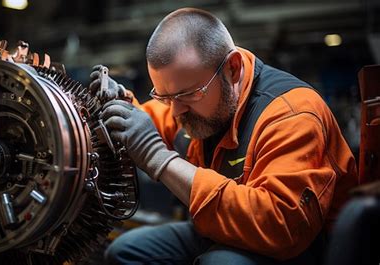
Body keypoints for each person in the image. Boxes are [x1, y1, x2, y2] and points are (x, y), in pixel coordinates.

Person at [89, 7, 358, 265]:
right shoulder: (189, 101)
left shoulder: (292, 114)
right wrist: (120, 105)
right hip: (223, 229)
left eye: (188, 95)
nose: (175, 110)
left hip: (297, 249)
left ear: (233, 68)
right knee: (125, 252)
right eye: (164, 96)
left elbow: (279, 228)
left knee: (221, 262)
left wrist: (159, 158)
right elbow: (147, 122)